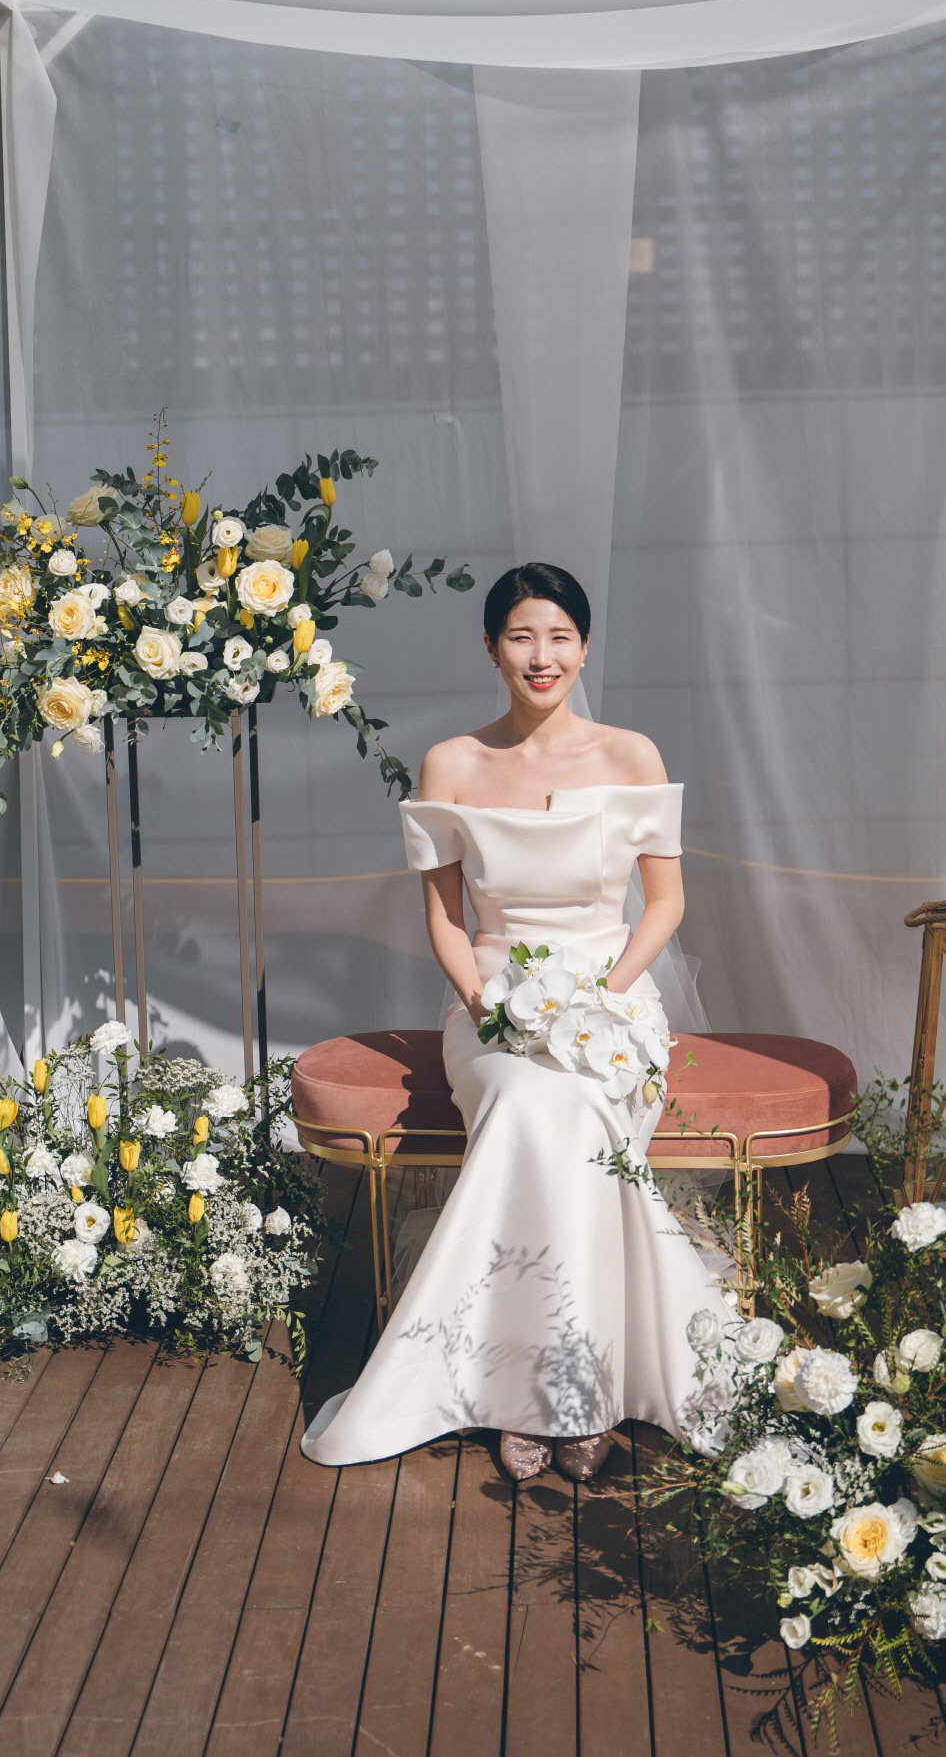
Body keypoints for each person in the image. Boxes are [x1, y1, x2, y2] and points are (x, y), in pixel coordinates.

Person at [301, 562, 731, 1481]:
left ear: (585, 647)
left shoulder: (632, 756)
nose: (543, 657)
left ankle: (583, 1389)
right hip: (491, 1002)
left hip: (614, 999)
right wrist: (481, 1003)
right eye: (522, 637)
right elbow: (445, 919)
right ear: (492, 649)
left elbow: (665, 904)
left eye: (560, 637)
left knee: (577, 1108)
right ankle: (532, 1395)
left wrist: (606, 996)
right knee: (529, 1103)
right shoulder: (452, 763)